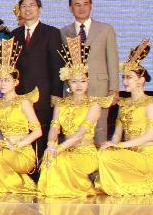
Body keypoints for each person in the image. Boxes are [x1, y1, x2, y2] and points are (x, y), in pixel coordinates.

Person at [38, 37, 111, 197]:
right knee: (51, 159)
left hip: (86, 152)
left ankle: (83, 187)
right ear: (68, 84)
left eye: (82, 81)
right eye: (74, 81)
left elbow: (81, 133)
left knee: (60, 160)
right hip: (66, 150)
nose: (78, 85)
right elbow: (54, 129)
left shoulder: (94, 105)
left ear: (88, 82)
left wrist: (59, 148)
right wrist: (51, 145)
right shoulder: (61, 104)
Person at [98, 40, 153, 196]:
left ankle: (141, 179)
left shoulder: (150, 104)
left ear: (141, 80)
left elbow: (150, 136)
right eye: (124, 77)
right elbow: (117, 134)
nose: (125, 82)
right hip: (128, 153)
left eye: (129, 77)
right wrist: (112, 145)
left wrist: (120, 146)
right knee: (104, 153)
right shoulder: (124, 104)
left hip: (145, 155)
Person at [0, 38, 41, 193]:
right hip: (5, 149)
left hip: (22, 151)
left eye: (7, 80)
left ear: (16, 82)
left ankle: (15, 183)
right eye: (0, 80)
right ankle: (12, 182)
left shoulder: (23, 102)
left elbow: (38, 131)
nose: (2, 84)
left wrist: (16, 145)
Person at [60, 0, 119, 144]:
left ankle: (99, 158)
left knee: (99, 127)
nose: (82, 8)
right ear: (71, 8)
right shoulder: (63, 32)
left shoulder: (105, 29)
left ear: (91, 6)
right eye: (77, 5)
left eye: (85, 4)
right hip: (73, 89)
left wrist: (114, 88)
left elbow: (112, 60)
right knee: (74, 127)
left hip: (99, 87)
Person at [12, 0, 63, 159]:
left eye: (31, 5)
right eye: (24, 6)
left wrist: (56, 94)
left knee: (42, 134)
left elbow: (57, 66)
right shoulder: (14, 34)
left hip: (43, 95)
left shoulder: (51, 32)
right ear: (20, 10)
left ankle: (42, 170)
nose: (27, 9)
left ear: (39, 9)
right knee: (22, 135)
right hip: (20, 96)